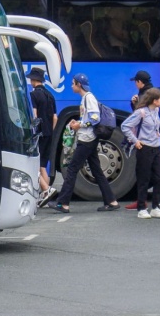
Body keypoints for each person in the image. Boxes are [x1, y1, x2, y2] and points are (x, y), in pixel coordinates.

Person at [47, 74, 121, 214]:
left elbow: (95, 118)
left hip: (87, 139)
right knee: (97, 171)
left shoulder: (88, 98)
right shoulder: (86, 98)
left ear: (79, 84)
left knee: (72, 169)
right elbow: (89, 118)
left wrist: (79, 125)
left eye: (73, 83)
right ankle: (111, 201)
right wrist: (78, 123)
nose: (71, 86)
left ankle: (63, 203)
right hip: (89, 138)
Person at [121, 88, 160, 219]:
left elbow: (156, 125)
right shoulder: (141, 112)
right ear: (154, 101)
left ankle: (155, 207)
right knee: (144, 179)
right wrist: (135, 141)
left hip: (156, 148)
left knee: (159, 178)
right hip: (144, 148)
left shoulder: (156, 110)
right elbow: (125, 126)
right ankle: (141, 208)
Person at [26, 67, 58, 207]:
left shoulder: (34, 95)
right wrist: (50, 130)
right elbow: (55, 117)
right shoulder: (50, 95)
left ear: (34, 80)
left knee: (33, 165)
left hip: (39, 134)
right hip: (49, 133)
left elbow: (34, 115)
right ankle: (46, 195)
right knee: (42, 165)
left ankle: (46, 190)